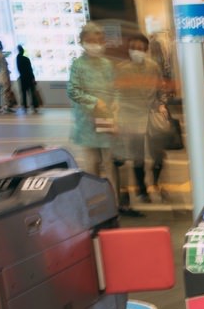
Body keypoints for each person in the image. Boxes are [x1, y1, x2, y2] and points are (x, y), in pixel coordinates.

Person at [114, 33, 160, 213]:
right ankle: (142, 190)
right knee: (138, 157)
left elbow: (158, 89)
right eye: (134, 48)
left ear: (146, 50)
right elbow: (117, 93)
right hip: (131, 118)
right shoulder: (122, 68)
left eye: (141, 48)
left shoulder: (153, 67)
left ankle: (156, 183)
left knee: (158, 155)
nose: (137, 51)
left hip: (150, 116)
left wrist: (161, 106)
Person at [68, 23, 116, 179]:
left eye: (98, 41)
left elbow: (115, 88)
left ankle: (113, 199)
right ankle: (94, 198)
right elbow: (73, 90)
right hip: (87, 121)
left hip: (106, 119)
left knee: (110, 163)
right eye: (90, 41)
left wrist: (117, 103)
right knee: (91, 163)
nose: (95, 45)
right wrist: (95, 102)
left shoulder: (106, 64)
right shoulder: (78, 65)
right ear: (82, 42)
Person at [0, 39, 14, 112]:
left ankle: (5, 106)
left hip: (0, 75)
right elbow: (9, 54)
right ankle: (5, 107)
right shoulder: (1, 54)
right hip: (4, 74)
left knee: (3, 91)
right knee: (5, 91)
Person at [16, 44, 38, 112]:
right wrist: (33, 78)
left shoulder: (18, 58)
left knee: (24, 93)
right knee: (31, 93)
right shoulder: (27, 59)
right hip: (29, 77)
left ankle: (25, 107)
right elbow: (30, 70)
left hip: (22, 78)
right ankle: (33, 107)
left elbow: (18, 69)